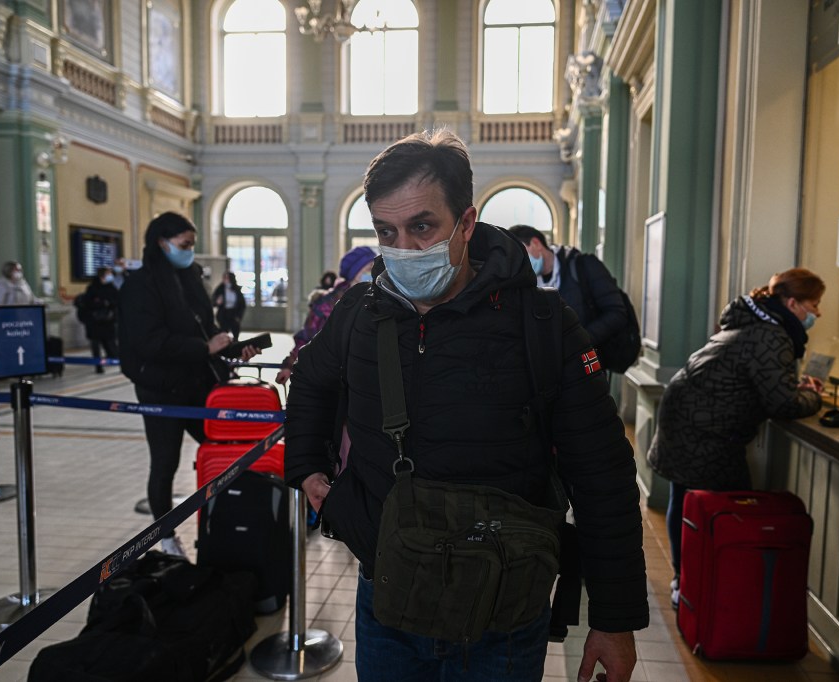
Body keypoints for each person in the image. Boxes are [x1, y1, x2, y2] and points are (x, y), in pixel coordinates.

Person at [284, 130, 647, 681]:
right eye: (387, 231)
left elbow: (603, 472)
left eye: (422, 226)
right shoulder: (360, 312)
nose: (402, 248)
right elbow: (310, 379)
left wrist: (614, 618)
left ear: (467, 223)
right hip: (389, 603)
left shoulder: (544, 328)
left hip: (502, 615)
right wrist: (309, 470)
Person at [646, 267, 826, 609]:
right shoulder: (773, 335)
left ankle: (686, 579)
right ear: (793, 303)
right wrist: (813, 396)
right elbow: (782, 401)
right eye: (813, 305)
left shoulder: (753, 323)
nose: (817, 313)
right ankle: (701, 583)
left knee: (685, 497)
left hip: (688, 414)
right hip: (707, 427)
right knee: (724, 505)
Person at [118, 212, 259, 558]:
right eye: (184, 245)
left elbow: (204, 325)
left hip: (197, 384)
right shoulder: (141, 284)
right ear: (162, 243)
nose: (189, 251)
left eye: (192, 245)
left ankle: (230, 521)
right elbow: (148, 342)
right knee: (164, 463)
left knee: (224, 452)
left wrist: (228, 346)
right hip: (160, 388)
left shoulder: (189, 277)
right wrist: (203, 347)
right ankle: (165, 537)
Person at [508, 225, 629, 357]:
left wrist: (579, 342)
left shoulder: (583, 266)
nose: (519, 262)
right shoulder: (525, 283)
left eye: (521, 254)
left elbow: (617, 313)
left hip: (586, 360)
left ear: (536, 243)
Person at [274, 246, 377, 385]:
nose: (372, 273)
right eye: (368, 268)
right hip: (332, 376)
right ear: (355, 272)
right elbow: (307, 338)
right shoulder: (327, 304)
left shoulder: (376, 300)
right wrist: (289, 365)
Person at [76, 266, 119, 373]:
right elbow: (88, 302)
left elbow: (117, 301)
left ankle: (119, 364)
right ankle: (98, 366)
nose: (111, 276)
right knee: (95, 345)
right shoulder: (92, 288)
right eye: (108, 273)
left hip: (108, 321)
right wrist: (102, 303)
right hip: (94, 321)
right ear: (103, 275)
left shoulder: (111, 287)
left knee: (111, 344)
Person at [211, 271, 246, 339]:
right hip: (223, 314)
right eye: (224, 278)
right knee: (223, 333)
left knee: (235, 333)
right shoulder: (220, 288)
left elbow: (242, 304)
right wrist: (217, 302)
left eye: (227, 278)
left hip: (234, 314)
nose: (225, 280)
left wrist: (239, 316)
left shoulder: (236, 289)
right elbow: (213, 300)